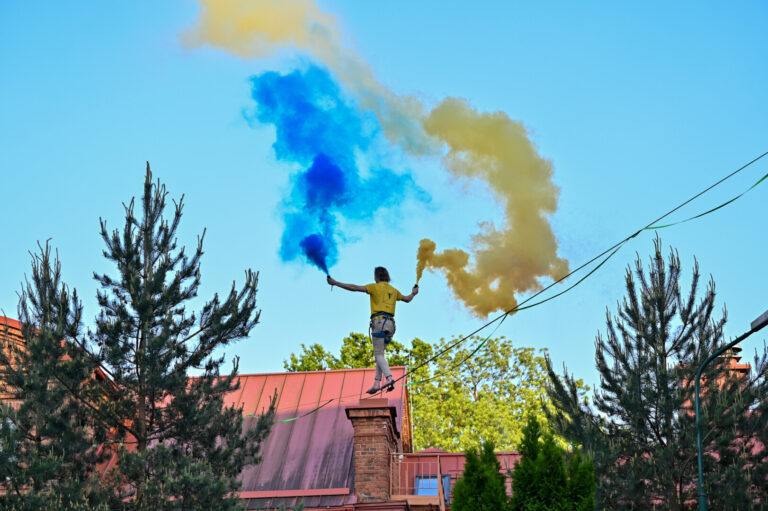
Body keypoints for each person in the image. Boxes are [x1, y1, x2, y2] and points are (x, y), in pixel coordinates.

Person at [327, 267, 418, 394]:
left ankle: (389, 378)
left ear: (377, 276)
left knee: (379, 354)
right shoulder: (394, 290)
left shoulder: (375, 287)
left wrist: (336, 283)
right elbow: (407, 299)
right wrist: (413, 293)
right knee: (380, 354)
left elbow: (354, 288)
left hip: (379, 322)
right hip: (391, 325)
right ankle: (376, 382)